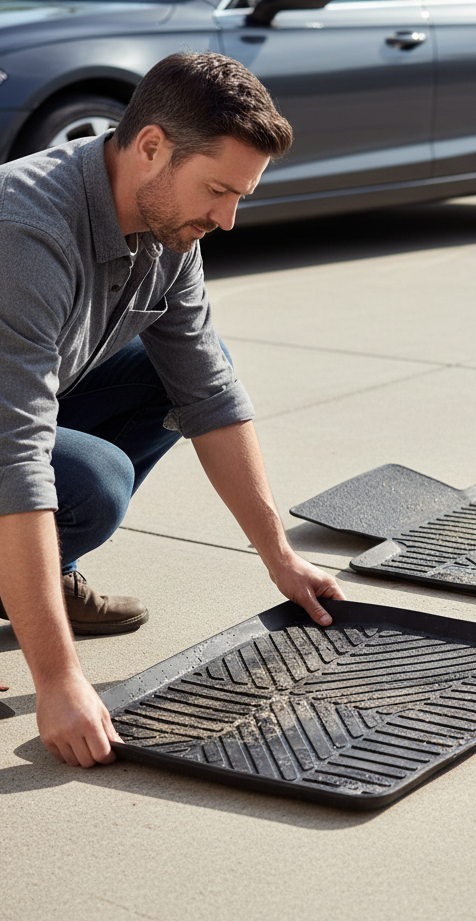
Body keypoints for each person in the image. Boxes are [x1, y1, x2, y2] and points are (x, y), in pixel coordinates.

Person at [0, 52, 344, 770]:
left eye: (239, 196)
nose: (227, 219)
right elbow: (14, 455)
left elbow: (208, 390)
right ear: (152, 147)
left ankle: (40, 575)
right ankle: (22, 586)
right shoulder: (27, 232)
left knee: (167, 377)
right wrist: (57, 679)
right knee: (91, 481)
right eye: (218, 190)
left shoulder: (167, 228)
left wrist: (279, 557)